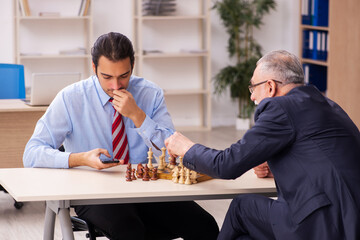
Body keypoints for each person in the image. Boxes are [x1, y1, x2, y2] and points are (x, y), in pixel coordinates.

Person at [23, 32, 219, 240]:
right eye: (107, 77)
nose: (115, 86)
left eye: (123, 76)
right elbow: (31, 153)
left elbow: (172, 151)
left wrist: (138, 116)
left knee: (205, 226)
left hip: (146, 187)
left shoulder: (150, 94)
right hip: (92, 192)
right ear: (94, 68)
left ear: (132, 66)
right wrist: (80, 159)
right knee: (130, 230)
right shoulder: (71, 98)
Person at [165, 50, 360, 239]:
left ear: (270, 87)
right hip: (351, 221)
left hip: (322, 224)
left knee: (241, 207)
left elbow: (227, 165)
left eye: (253, 88)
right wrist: (279, 167)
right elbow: (325, 160)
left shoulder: (280, 107)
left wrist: (186, 148)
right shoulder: (329, 105)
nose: (252, 97)